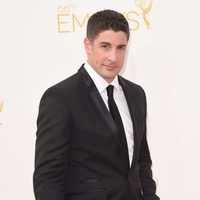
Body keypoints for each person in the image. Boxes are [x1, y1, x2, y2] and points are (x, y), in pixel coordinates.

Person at [33, 9, 159, 200]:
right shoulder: (60, 97)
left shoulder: (136, 94)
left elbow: (142, 159)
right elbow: (49, 177)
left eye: (121, 48)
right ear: (88, 45)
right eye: (105, 46)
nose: (113, 58)